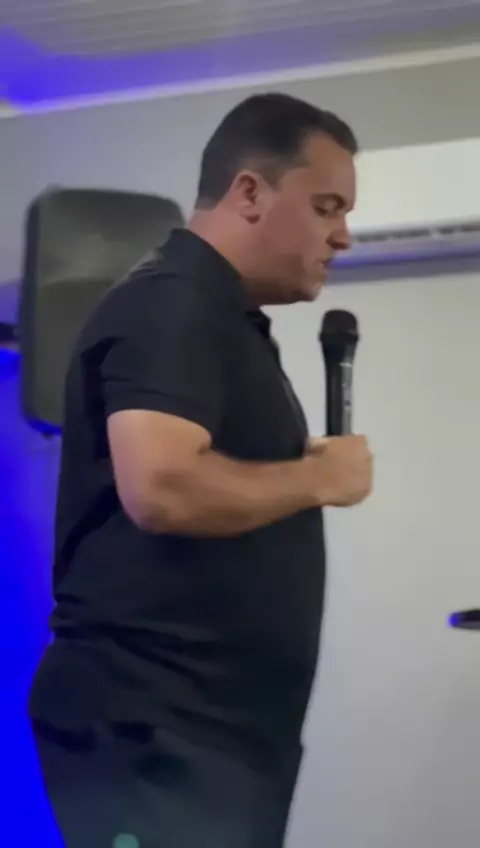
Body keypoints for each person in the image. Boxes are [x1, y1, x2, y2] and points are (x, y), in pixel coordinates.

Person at [28, 92, 373, 848]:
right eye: (326, 207)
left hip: (213, 739)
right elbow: (162, 487)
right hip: (159, 732)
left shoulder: (219, 317)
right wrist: (318, 480)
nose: (342, 235)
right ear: (249, 192)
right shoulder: (172, 303)